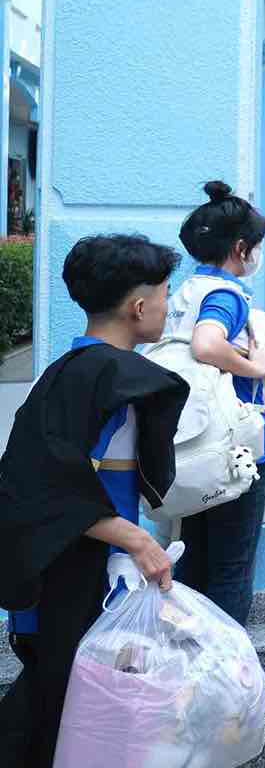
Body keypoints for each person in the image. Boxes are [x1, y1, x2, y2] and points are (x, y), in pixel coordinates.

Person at [0, 235, 189, 766]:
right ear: (138, 307)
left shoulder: (69, 370)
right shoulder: (109, 377)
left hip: (73, 568)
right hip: (82, 578)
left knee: (60, 708)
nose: (169, 307)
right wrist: (136, 541)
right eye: (165, 294)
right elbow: (46, 482)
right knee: (68, 719)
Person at [165, 181, 265, 717]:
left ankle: (191, 682)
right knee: (232, 572)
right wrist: (257, 366)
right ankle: (232, 696)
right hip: (232, 454)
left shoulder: (184, 291)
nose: (257, 255)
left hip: (190, 452)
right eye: (256, 246)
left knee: (194, 568)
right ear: (241, 249)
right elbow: (207, 345)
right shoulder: (226, 295)